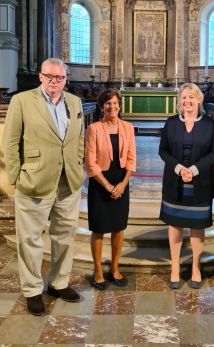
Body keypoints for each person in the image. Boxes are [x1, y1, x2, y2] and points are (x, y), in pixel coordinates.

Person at [2, 58, 85, 316]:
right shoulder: (22, 101)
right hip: (34, 180)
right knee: (29, 239)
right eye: (49, 76)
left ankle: (59, 283)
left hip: (68, 181)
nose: (54, 81)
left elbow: (78, 138)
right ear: (40, 76)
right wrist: (16, 178)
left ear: (65, 79)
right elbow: (10, 142)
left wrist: (79, 164)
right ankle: (33, 290)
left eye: (59, 78)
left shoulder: (75, 102)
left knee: (65, 235)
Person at [159, 83, 214, 289]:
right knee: (175, 225)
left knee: (196, 227)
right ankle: (175, 267)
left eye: (191, 97)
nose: (187, 101)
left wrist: (193, 170)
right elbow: (164, 151)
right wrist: (179, 169)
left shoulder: (210, 124)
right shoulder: (171, 123)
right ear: (179, 101)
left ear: (199, 100)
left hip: (199, 182)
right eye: (184, 97)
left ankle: (195, 266)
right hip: (174, 181)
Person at [85, 89, 136, 290]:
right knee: (98, 229)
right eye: (107, 103)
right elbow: (90, 163)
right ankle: (98, 270)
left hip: (121, 182)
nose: (112, 106)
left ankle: (115, 267)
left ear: (120, 105)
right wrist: (107, 186)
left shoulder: (128, 127)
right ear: (101, 106)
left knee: (118, 227)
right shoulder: (94, 129)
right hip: (100, 184)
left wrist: (122, 185)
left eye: (115, 103)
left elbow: (131, 158)